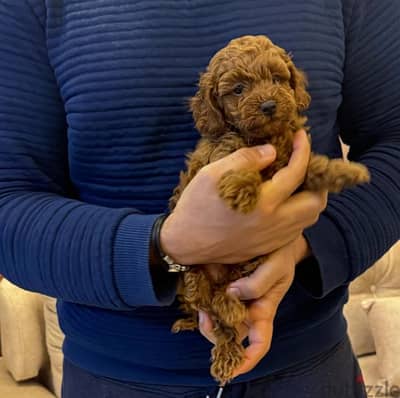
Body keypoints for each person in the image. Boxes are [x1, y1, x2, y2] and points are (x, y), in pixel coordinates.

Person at [0, 1, 399, 397]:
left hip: (313, 367)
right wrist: (165, 247)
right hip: (115, 377)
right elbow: (9, 204)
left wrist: (301, 244)